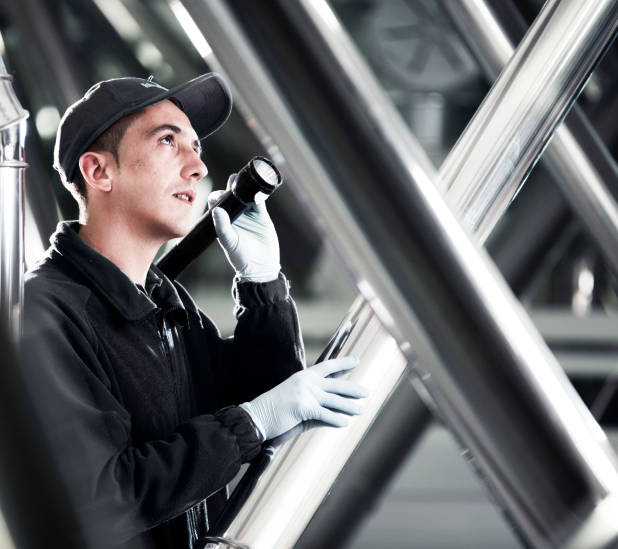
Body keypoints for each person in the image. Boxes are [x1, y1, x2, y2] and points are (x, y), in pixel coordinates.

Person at [21, 73, 369, 549]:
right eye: (168, 141)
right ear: (99, 172)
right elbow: (100, 499)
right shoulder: (47, 312)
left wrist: (262, 285)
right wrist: (252, 421)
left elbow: (263, 398)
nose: (197, 168)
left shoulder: (166, 303)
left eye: (196, 146)